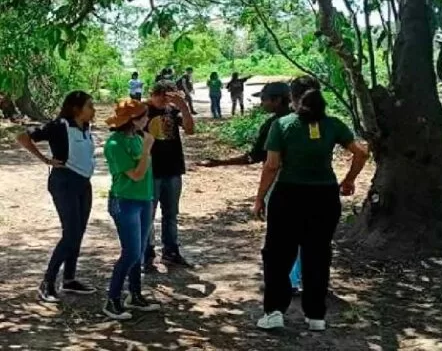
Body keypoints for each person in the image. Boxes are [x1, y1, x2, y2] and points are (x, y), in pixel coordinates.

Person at [253, 76, 368, 331]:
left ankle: (274, 311)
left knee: (278, 255)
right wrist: (348, 180)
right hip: (324, 196)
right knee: (317, 253)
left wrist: (260, 198)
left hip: (288, 195)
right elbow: (361, 152)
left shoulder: (282, 125)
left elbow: (272, 166)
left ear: (292, 98)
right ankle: (315, 315)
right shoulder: (333, 125)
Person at [198, 82, 302, 293]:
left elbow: (258, 159)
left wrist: (220, 163)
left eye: (264, 99)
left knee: (281, 234)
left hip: (283, 184)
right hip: (312, 185)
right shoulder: (308, 121)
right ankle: (302, 277)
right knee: (304, 233)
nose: (262, 103)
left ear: (278, 100)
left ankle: (288, 280)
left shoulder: (275, 126)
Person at [16, 91, 97, 303]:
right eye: (89, 105)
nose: (93, 109)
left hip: (83, 183)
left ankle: (69, 278)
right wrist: (44, 159)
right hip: (64, 183)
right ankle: (48, 282)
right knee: (70, 233)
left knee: (78, 232)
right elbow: (23, 137)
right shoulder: (59, 126)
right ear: (76, 108)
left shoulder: (86, 127)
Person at [102, 99, 161, 320]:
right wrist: (147, 150)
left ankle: (135, 294)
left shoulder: (137, 138)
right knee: (131, 252)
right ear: (132, 121)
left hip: (144, 199)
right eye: (143, 116)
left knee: (141, 248)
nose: (147, 119)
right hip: (125, 201)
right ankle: (112, 299)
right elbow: (136, 174)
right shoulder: (115, 144)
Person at [143, 80, 195, 271]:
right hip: (150, 170)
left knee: (171, 213)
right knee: (148, 214)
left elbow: (190, 130)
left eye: (170, 97)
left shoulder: (173, 110)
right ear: (154, 94)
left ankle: (171, 252)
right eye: (163, 97)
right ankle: (147, 255)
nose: (165, 101)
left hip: (173, 169)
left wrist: (184, 107)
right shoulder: (142, 110)